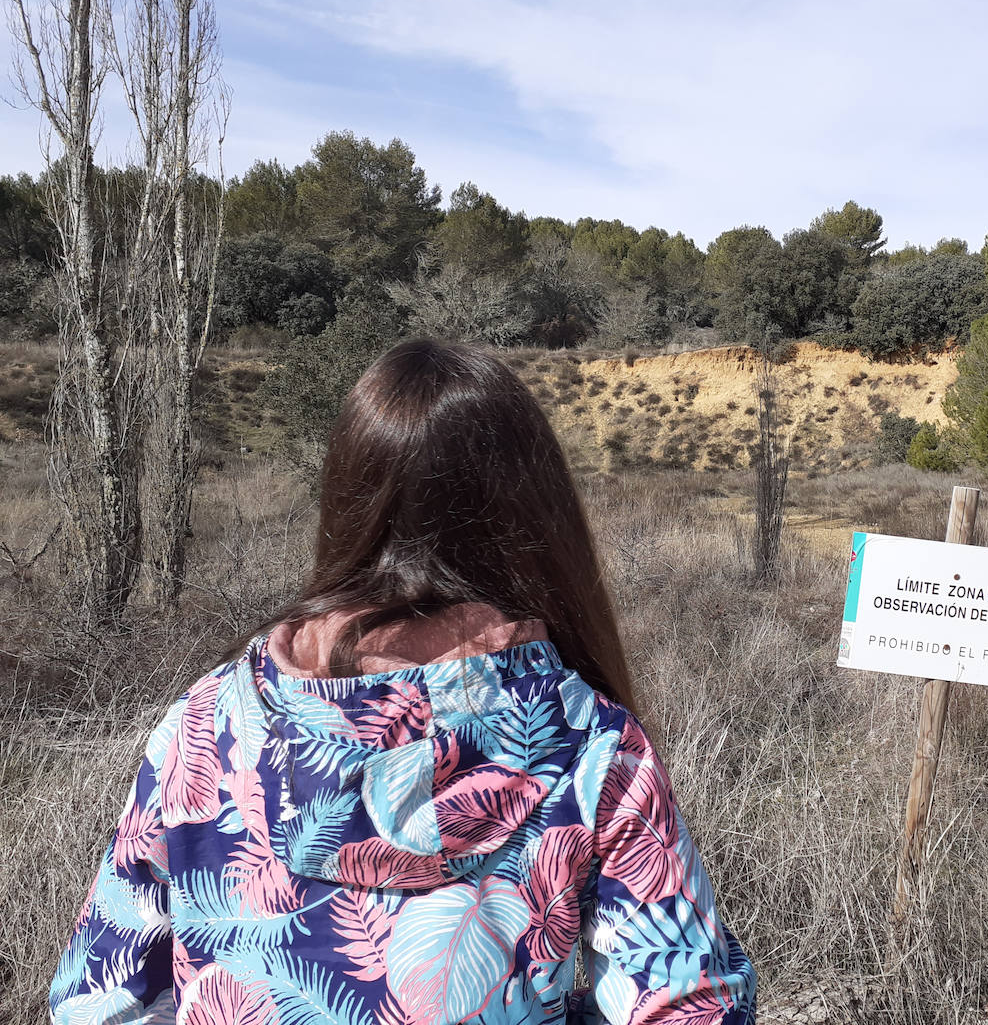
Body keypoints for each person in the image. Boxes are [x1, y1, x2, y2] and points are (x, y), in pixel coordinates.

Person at [49, 339, 756, 1024]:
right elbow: (690, 1006)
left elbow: (99, 998)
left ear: (348, 502)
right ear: (535, 518)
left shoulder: (205, 726)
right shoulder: (590, 746)